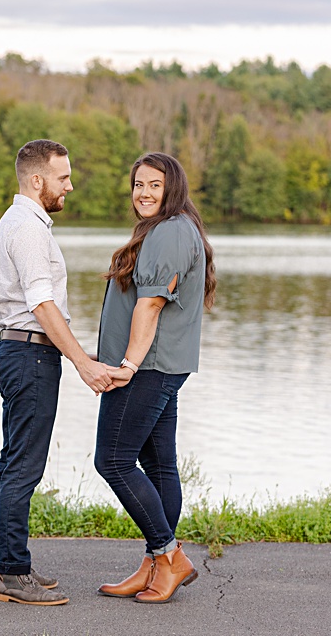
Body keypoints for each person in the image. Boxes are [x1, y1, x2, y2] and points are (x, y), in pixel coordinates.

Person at [0, 139, 119, 606]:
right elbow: (41, 304)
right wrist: (83, 362)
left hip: (23, 354)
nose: (70, 185)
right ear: (38, 180)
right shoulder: (26, 228)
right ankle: (11, 574)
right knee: (23, 465)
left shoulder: (25, 222)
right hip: (29, 356)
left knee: (14, 462)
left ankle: (11, 564)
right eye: (63, 177)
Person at [93, 151, 216, 604]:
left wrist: (125, 365)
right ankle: (154, 565)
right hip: (163, 365)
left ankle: (169, 556)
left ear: (172, 189)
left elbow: (151, 305)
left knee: (112, 460)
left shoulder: (169, 232)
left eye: (154, 185)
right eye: (138, 184)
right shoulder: (174, 228)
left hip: (148, 368)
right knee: (159, 463)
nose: (143, 193)